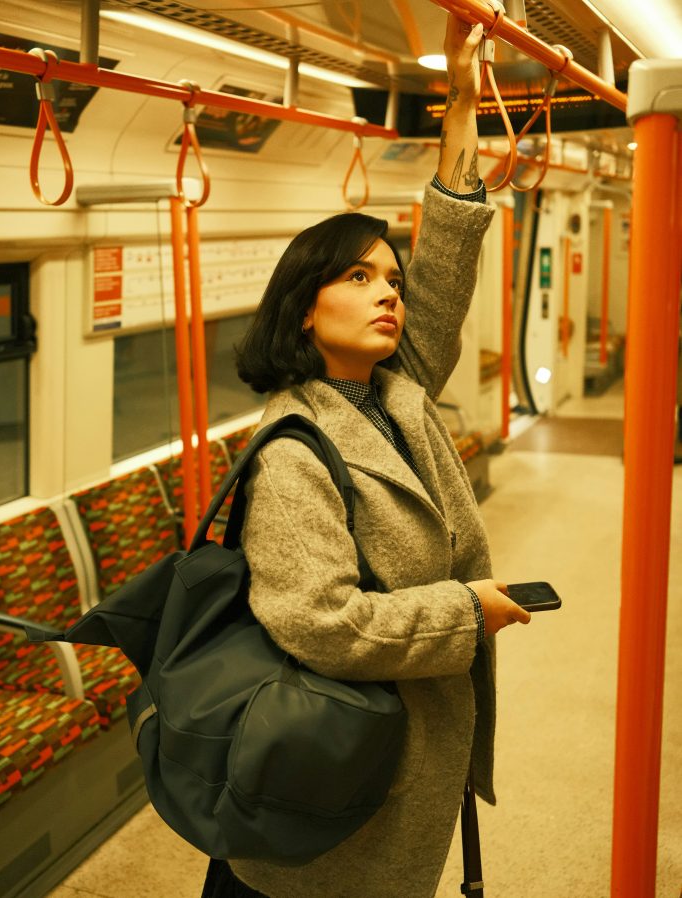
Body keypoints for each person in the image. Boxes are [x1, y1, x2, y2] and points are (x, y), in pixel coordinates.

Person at [202, 12, 531, 898]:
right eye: (358, 277)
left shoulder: (399, 392)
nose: (389, 292)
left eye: (391, 278)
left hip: (397, 749)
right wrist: (467, 610)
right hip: (330, 788)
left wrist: (460, 94)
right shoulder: (291, 451)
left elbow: (448, 257)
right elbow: (323, 623)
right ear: (305, 309)